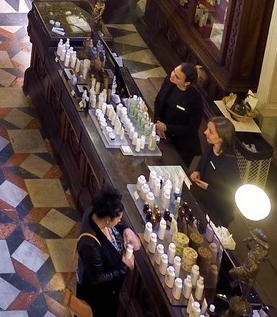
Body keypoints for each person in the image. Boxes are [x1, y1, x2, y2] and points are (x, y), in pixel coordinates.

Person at [71, 188, 139, 316]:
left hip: (108, 293)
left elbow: (117, 224)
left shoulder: (95, 212)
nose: (120, 220)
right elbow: (97, 280)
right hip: (96, 297)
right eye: (118, 218)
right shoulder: (90, 245)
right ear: (108, 219)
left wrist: (125, 229)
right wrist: (124, 267)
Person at [189, 116, 242, 228]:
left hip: (218, 211)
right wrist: (197, 171)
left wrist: (208, 187)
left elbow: (232, 193)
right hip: (203, 198)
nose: (205, 132)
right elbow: (203, 162)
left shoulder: (230, 163)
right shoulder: (210, 147)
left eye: (210, 131)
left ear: (222, 138)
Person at [153, 62, 209, 165]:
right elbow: (158, 101)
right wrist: (158, 122)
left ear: (186, 83)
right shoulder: (169, 81)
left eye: (177, 77)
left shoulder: (195, 100)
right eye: (174, 71)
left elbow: (191, 128)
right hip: (161, 132)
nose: (172, 75)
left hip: (180, 145)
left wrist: (166, 127)